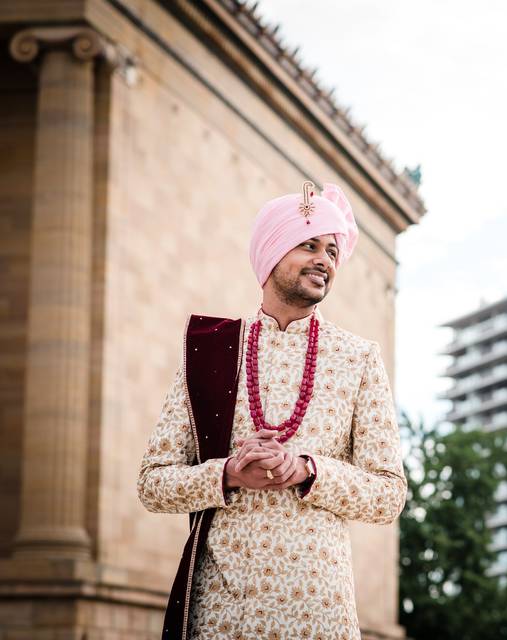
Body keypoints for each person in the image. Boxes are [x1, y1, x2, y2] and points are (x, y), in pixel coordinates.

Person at [137, 181, 406, 640]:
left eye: (333, 251)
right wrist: (229, 475)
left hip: (318, 612)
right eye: (309, 245)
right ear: (272, 250)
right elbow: (152, 484)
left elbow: (388, 495)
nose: (325, 259)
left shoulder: (358, 359)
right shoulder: (212, 352)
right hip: (223, 612)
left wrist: (306, 470)